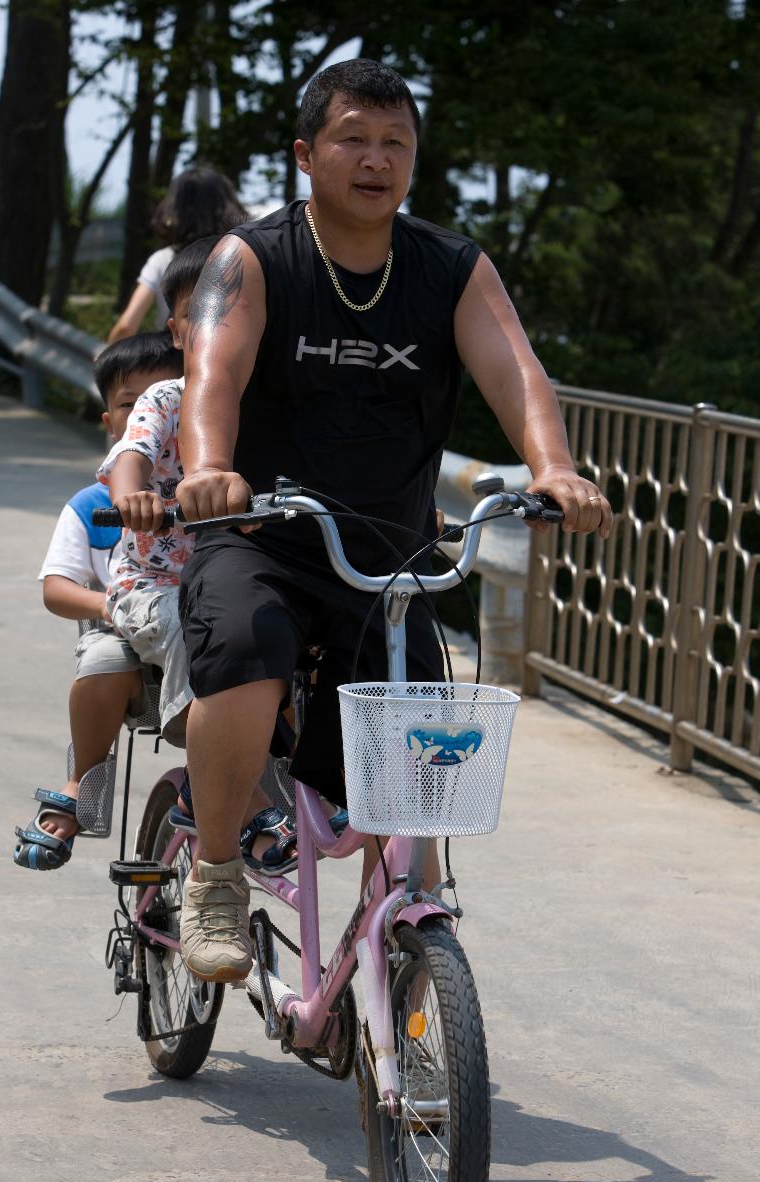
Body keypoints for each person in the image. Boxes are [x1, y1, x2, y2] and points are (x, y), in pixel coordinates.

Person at [127, 58, 613, 982]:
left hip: (385, 554)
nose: (375, 159)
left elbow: (515, 372)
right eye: (353, 138)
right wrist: (213, 469)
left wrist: (553, 469)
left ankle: (401, 925)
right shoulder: (255, 257)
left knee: (420, 737)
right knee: (246, 653)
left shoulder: (450, 267)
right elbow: (213, 376)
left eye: (395, 143)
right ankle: (218, 874)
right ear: (308, 154)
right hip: (258, 534)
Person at [101, 238, 300, 874]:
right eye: (204, 309)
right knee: (201, 640)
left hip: (245, 576)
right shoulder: (166, 397)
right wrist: (133, 498)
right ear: (179, 329)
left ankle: (311, 782)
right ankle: (245, 808)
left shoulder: (275, 401)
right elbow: (129, 456)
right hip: (157, 583)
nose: (222, 322)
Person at [13, 331, 184, 870]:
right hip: (122, 627)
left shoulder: (208, 487)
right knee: (105, 664)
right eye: (132, 405)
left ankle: (275, 781)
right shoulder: (92, 505)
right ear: (111, 423)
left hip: (201, 620)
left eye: (168, 399)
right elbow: (56, 588)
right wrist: (105, 606)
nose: (151, 417)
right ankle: (81, 781)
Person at [107, 168, 247, 342]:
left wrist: (108, 360)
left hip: (177, 363)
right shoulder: (245, 257)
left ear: (173, 208)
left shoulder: (162, 260)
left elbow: (126, 326)